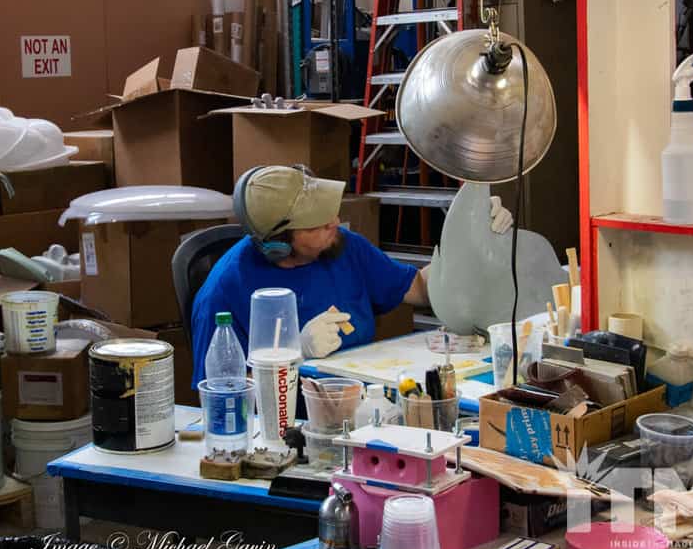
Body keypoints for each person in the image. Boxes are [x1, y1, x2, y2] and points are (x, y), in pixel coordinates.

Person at [190, 165, 513, 387]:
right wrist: (292, 355)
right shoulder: (224, 292)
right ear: (278, 244)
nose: (334, 222)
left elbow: (422, 289)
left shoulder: (342, 247)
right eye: (317, 223)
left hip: (367, 402)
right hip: (297, 427)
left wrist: (471, 239)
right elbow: (222, 394)